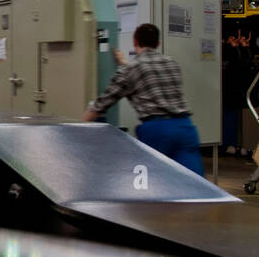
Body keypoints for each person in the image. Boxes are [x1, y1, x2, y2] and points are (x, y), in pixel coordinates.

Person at [82, 22, 204, 176]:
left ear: (134, 42)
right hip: (185, 128)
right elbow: (149, 75)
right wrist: (124, 64)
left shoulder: (130, 70)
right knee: (193, 184)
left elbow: (101, 105)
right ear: (158, 43)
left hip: (158, 132)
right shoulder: (172, 63)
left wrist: (78, 128)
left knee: (156, 184)